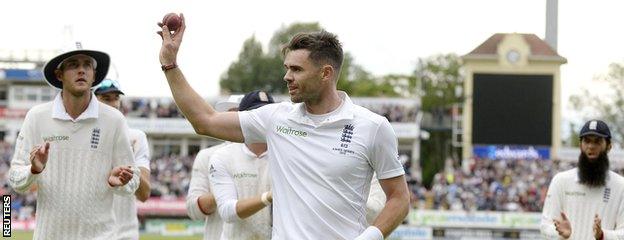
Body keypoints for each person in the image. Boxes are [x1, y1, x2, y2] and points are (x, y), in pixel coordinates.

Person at [157, 15, 409, 240]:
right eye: (287, 68)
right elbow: (205, 121)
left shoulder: (374, 127)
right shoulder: (276, 118)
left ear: (326, 73)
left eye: (296, 69)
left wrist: (370, 237)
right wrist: (170, 64)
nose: (287, 76)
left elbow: (399, 198)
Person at [8, 47, 139, 239]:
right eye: (73, 65)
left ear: (94, 76)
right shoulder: (37, 117)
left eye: (87, 65)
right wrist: (34, 170)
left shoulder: (114, 120)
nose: (81, 70)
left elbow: (133, 180)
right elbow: (15, 180)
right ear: (59, 74)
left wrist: (118, 183)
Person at [541, 120, 624, 239]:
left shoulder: (621, 186)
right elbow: (545, 226)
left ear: (609, 146)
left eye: (597, 141)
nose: (591, 146)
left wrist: (603, 235)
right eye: (587, 141)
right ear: (580, 145)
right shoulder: (561, 181)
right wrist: (560, 233)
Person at [209, 90, 275, 239]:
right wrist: (268, 197)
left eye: (266, 115)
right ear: (242, 119)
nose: (261, 121)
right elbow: (227, 212)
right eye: (255, 115)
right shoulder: (223, 156)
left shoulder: (286, 155)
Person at [94, 79, 152, 240]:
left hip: (125, 235)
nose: (114, 104)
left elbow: (144, 194)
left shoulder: (136, 137)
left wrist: (128, 157)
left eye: (116, 98)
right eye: (106, 99)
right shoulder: (83, 137)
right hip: (91, 233)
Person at [186, 94, 243, 240]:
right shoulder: (208, 156)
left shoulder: (270, 154)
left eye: (241, 113)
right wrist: (225, 189)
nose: (236, 119)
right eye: (231, 113)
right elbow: (194, 210)